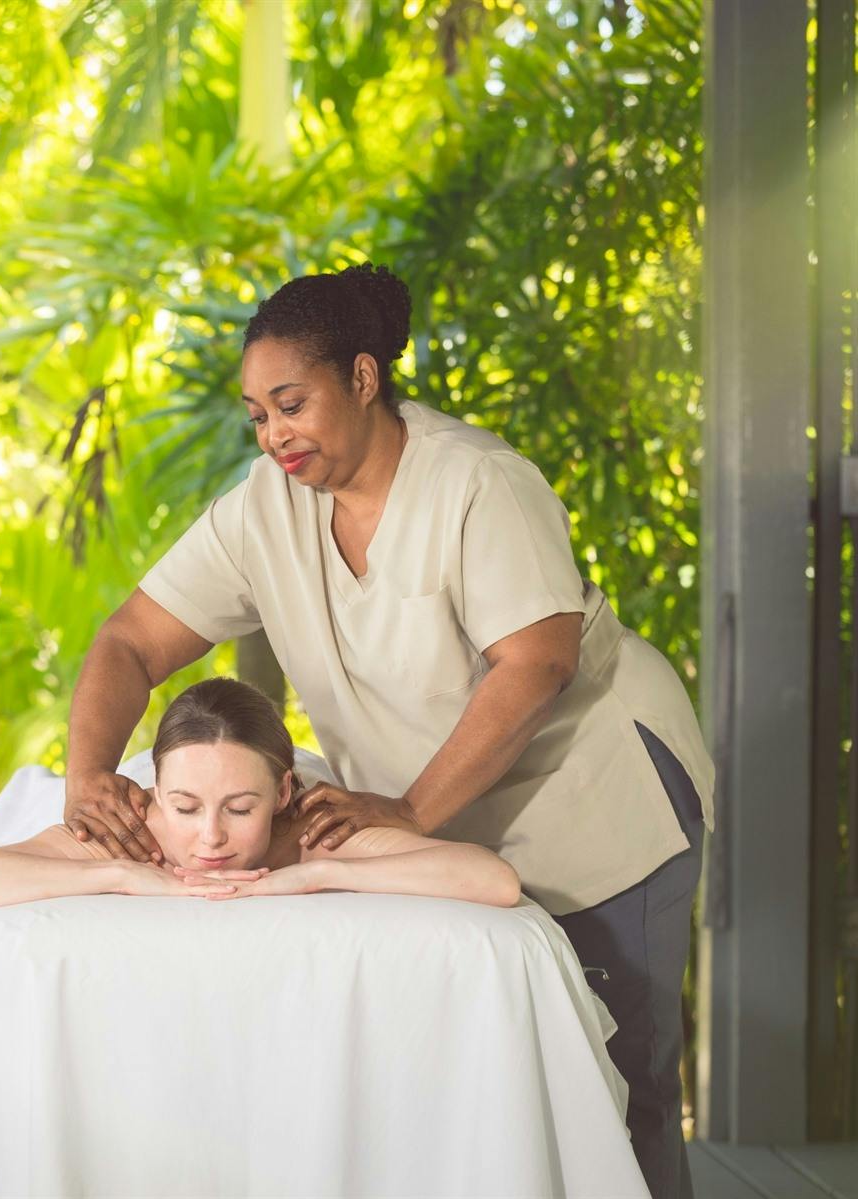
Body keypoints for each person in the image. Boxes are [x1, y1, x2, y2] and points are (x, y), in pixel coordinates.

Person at [61, 262, 713, 1199]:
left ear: (363, 378)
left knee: (617, 1079)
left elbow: (537, 662)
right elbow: (128, 641)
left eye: (292, 402)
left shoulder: (480, 484)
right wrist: (86, 776)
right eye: (258, 413)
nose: (275, 433)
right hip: (441, 826)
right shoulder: (262, 509)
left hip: (597, 792)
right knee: (485, 1085)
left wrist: (407, 810)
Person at [0, 677, 520, 919]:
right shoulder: (137, 826)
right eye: (187, 808)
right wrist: (121, 875)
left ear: (282, 793)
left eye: (240, 809)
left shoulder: (308, 825)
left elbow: (492, 881)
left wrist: (314, 874)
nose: (210, 837)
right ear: (159, 795)